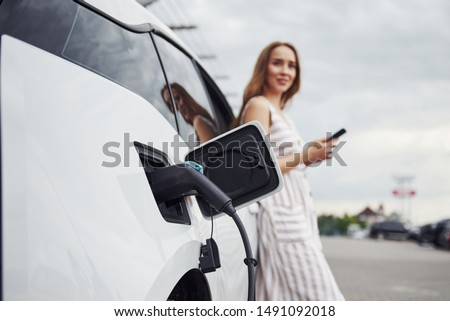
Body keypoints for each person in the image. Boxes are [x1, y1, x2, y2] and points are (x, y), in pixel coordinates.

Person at [236, 41, 345, 301]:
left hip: (298, 217)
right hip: (282, 220)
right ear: (264, 67)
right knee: (326, 300)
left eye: (292, 65)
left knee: (279, 298)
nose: (285, 70)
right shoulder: (259, 105)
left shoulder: (284, 115)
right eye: (278, 63)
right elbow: (255, 168)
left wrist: (309, 156)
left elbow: (284, 162)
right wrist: (304, 155)